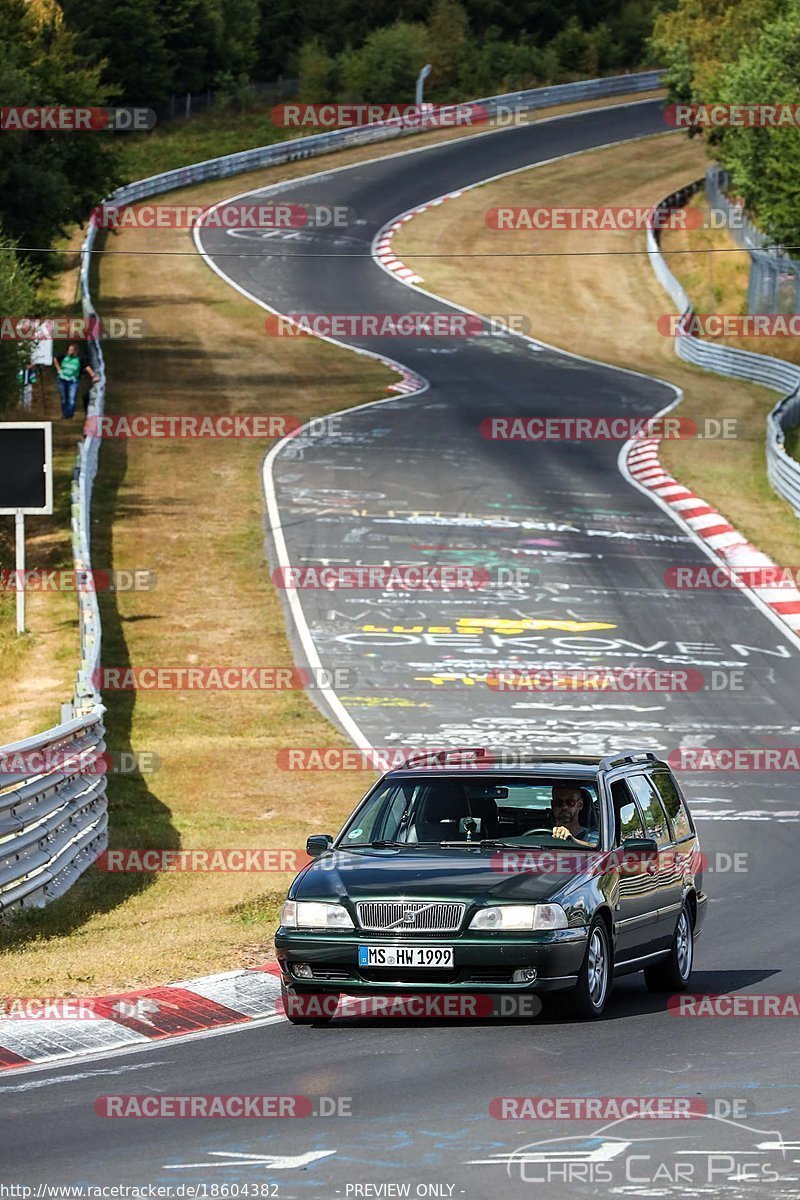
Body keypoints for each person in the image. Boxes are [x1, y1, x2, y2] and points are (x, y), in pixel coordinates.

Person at [54, 343, 98, 418]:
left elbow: (87, 367)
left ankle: (70, 415)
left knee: (71, 399)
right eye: (69, 350)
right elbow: (55, 359)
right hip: (62, 380)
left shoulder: (80, 358)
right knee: (64, 399)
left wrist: (93, 376)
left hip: (73, 381)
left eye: (71, 350)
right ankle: (65, 415)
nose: (69, 351)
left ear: (75, 351)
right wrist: (58, 369)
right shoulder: (64, 356)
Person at [549, 783, 599, 847]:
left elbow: (598, 848)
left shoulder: (595, 836)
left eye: (570, 802)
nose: (564, 807)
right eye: (559, 803)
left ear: (580, 805)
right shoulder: (542, 835)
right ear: (552, 805)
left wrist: (573, 840)